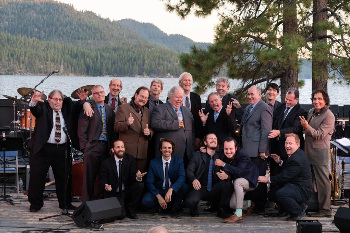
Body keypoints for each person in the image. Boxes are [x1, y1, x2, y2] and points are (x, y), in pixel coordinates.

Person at [28, 88, 88, 212]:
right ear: (49, 99)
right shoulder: (43, 107)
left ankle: (65, 203)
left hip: (62, 149)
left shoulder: (67, 109)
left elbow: (78, 106)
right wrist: (33, 101)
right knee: (37, 177)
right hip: (43, 149)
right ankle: (35, 204)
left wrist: (83, 100)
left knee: (64, 177)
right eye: (55, 99)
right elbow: (35, 110)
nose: (58, 102)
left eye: (60, 99)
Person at [258, 133, 313, 221]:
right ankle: (287, 209)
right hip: (294, 185)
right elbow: (290, 168)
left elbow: (284, 177)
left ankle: (298, 212)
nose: (287, 146)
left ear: (297, 144)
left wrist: (267, 179)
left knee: (282, 194)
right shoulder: (295, 154)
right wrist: (280, 161)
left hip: (303, 189)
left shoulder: (297, 158)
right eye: (286, 143)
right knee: (272, 194)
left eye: (290, 143)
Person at [78, 85, 116, 202]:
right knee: (89, 177)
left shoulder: (109, 109)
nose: (100, 95)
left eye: (101, 92)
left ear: (105, 93)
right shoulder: (89, 107)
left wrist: (112, 146)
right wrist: (85, 146)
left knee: (102, 176)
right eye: (96, 93)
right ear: (92, 96)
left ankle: (99, 202)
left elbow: (112, 130)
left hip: (106, 147)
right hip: (92, 146)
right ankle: (87, 203)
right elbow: (82, 128)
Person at [300, 90, 335, 217]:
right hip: (308, 151)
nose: (316, 101)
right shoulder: (311, 112)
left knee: (323, 182)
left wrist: (306, 126)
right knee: (312, 181)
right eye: (314, 99)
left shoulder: (329, 116)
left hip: (320, 153)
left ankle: (325, 210)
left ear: (325, 100)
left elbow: (319, 134)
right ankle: (314, 205)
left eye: (319, 99)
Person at [240, 85, 273, 213]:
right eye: (248, 94)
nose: (249, 97)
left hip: (258, 151)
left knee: (258, 177)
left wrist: (262, 150)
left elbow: (266, 131)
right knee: (249, 177)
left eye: (252, 94)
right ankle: (250, 204)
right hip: (247, 150)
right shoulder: (248, 108)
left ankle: (259, 205)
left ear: (259, 95)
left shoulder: (265, 108)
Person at [185, 133, 233, 218]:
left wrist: (227, 176)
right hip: (200, 187)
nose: (213, 140)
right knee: (190, 201)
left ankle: (222, 209)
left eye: (215, 138)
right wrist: (193, 179)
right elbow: (189, 170)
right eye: (210, 138)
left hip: (214, 188)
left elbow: (229, 172)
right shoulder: (197, 155)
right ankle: (194, 208)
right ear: (205, 142)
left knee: (227, 184)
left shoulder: (221, 156)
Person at [215, 137, 259, 223]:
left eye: (231, 149)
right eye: (226, 149)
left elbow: (240, 172)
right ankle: (248, 204)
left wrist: (224, 165)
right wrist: (226, 177)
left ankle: (238, 215)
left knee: (238, 181)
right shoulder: (223, 155)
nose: (228, 151)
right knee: (233, 204)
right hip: (237, 181)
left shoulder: (242, 155)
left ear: (236, 148)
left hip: (250, 180)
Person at [100, 140, 146, 219]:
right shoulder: (106, 163)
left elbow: (132, 176)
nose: (121, 149)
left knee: (139, 185)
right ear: (112, 150)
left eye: (122, 147)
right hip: (114, 192)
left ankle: (131, 210)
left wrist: (137, 177)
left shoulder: (130, 159)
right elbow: (103, 178)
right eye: (118, 147)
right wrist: (106, 185)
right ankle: (123, 208)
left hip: (126, 191)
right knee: (120, 215)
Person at [141, 138, 187, 217]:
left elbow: (182, 177)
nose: (167, 150)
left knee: (184, 186)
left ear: (172, 150)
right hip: (160, 190)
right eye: (164, 147)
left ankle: (174, 208)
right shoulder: (154, 162)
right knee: (146, 201)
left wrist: (171, 189)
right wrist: (158, 196)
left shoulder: (179, 161)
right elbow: (149, 182)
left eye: (169, 148)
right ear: (160, 149)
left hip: (172, 191)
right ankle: (162, 206)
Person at [268, 88, 306, 175]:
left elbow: (296, 129)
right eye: (286, 99)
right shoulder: (280, 107)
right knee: (274, 172)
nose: (287, 102)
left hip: (288, 147)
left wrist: (279, 132)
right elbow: (275, 121)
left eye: (290, 100)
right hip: (275, 146)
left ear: (297, 99)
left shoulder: (301, 112)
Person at [151, 86, 195, 162]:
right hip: (169, 153)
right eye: (177, 97)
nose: (179, 100)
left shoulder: (186, 110)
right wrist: (174, 124)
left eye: (181, 97)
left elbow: (192, 129)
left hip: (187, 153)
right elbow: (155, 123)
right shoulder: (160, 108)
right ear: (170, 96)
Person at [114, 86, 153, 172]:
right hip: (128, 152)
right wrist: (127, 123)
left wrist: (149, 132)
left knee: (139, 180)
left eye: (146, 98)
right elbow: (116, 127)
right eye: (142, 96)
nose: (143, 99)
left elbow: (151, 129)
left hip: (142, 153)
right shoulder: (123, 108)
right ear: (136, 95)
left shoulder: (147, 111)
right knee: (126, 179)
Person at [178, 72, 203, 149]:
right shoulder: (174, 96)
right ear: (180, 83)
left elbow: (199, 119)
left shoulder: (196, 97)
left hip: (193, 135)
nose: (187, 83)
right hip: (179, 134)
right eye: (185, 80)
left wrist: (198, 137)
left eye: (189, 80)